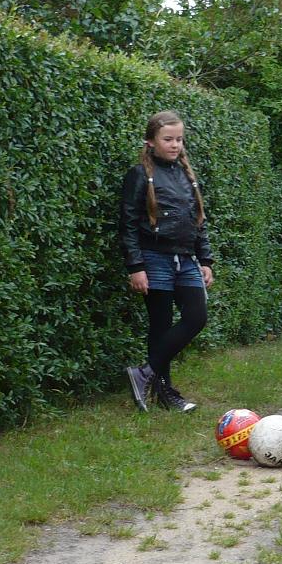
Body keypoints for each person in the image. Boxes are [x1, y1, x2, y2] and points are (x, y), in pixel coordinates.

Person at [119, 110, 215, 413]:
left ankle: (144, 373)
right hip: (154, 257)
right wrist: (136, 267)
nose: (175, 145)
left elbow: (198, 220)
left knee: (196, 317)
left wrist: (205, 259)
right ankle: (165, 394)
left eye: (179, 139)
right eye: (168, 139)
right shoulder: (139, 175)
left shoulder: (187, 175)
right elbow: (128, 224)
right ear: (151, 141)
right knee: (160, 326)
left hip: (185, 259)